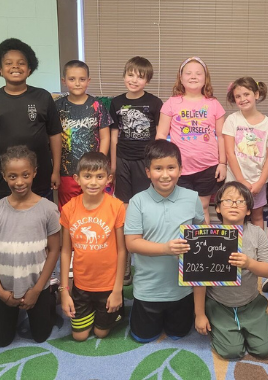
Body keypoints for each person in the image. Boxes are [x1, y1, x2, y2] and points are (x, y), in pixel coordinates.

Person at [0, 145, 61, 347]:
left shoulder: (49, 210)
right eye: (12, 176)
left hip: (37, 285)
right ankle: (14, 307)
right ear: (4, 176)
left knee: (40, 336)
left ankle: (50, 297)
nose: (20, 182)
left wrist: (37, 289)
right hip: (6, 286)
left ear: (34, 172)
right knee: (2, 341)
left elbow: (54, 250)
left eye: (25, 175)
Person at [124, 139, 204, 342]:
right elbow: (132, 243)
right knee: (142, 337)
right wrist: (165, 248)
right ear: (148, 172)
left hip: (182, 290)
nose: (165, 174)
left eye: (171, 167)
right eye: (158, 168)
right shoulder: (137, 201)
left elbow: (201, 232)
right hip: (148, 290)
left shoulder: (192, 197)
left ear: (180, 169)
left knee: (179, 333)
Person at [194, 182, 268, 359]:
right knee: (231, 351)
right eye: (228, 201)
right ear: (217, 208)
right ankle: (218, 322)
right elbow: (199, 278)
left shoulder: (257, 233)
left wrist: (249, 263)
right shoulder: (208, 235)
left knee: (265, 349)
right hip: (219, 304)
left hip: (250, 302)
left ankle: (255, 322)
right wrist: (200, 314)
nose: (233, 205)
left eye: (240, 202)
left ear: (248, 210)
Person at [0, 38, 63, 201]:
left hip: (41, 179)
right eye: (8, 63)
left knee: (43, 224)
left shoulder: (43, 97)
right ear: (0, 70)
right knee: (9, 225)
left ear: (29, 69)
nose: (15, 66)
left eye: (21, 63)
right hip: (7, 181)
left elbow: (55, 135)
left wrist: (56, 170)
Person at [59, 152, 126, 341]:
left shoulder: (117, 207)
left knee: (100, 333)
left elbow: (122, 250)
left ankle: (118, 307)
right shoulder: (68, 209)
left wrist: (118, 290)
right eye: (87, 176)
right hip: (82, 286)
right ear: (77, 179)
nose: (93, 182)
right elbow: (65, 251)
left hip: (108, 285)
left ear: (108, 179)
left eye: (99, 176)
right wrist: (65, 291)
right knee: (79, 336)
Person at [110, 56, 163, 285]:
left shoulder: (155, 103)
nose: (134, 80)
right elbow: (114, 135)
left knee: (144, 209)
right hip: (122, 160)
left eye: (140, 77)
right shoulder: (115, 102)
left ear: (147, 81)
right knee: (123, 210)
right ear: (124, 76)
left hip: (145, 162)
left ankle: (144, 262)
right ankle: (125, 263)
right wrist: (112, 163)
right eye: (130, 75)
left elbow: (161, 134)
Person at [156, 56, 226, 223]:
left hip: (208, 166)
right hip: (179, 167)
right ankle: (181, 247)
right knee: (182, 208)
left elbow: (222, 136)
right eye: (188, 73)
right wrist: (161, 165)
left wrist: (222, 163)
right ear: (181, 78)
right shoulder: (171, 103)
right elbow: (160, 136)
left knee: (202, 207)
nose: (193, 76)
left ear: (205, 78)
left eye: (198, 73)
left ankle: (203, 246)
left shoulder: (214, 104)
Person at [56, 60, 112, 210]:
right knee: (69, 211)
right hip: (68, 172)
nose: (77, 83)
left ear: (88, 81)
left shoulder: (97, 105)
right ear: (64, 81)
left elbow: (105, 136)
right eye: (72, 79)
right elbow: (53, 139)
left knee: (98, 209)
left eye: (82, 79)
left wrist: (101, 162)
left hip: (95, 171)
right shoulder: (58, 107)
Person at [223, 77, 268, 229]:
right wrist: (241, 181)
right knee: (232, 215)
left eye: (246, 94)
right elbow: (230, 154)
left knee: (257, 215)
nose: (242, 99)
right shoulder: (232, 120)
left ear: (256, 95)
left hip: (257, 182)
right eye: (238, 96)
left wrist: (259, 183)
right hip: (235, 181)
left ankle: (257, 251)